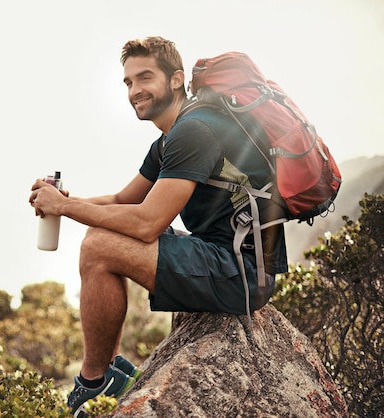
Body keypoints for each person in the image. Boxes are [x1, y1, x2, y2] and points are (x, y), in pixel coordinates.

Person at [28, 36, 288, 417]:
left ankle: (94, 384)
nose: (135, 91)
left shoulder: (195, 130)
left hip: (242, 275)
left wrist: (65, 208)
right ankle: (111, 374)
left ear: (176, 79)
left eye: (145, 77)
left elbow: (148, 223)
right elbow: (123, 201)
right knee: (101, 237)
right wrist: (66, 201)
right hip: (225, 259)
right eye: (129, 82)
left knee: (99, 246)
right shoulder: (171, 138)